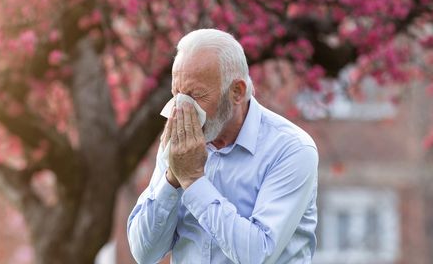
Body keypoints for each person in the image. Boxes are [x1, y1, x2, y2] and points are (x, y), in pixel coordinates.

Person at [127, 29, 319, 264]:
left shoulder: (291, 149)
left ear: (236, 92)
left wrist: (193, 181)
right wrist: (172, 179)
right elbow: (144, 253)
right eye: (177, 94)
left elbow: (258, 254)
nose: (181, 108)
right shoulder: (181, 143)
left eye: (196, 95)